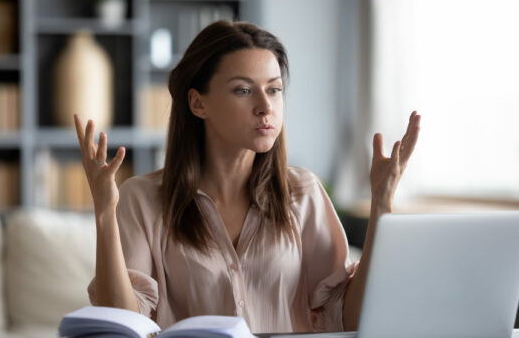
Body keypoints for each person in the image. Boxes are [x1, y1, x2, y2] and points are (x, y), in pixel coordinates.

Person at [73, 20, 421, 333]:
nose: (265, 107)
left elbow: (351, 321)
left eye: (274, 89)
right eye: (243, 90)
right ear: (198, 104)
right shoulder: (141, 199)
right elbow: (121, 327)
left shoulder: (304, 193)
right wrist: (104, 213)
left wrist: (381, 204)